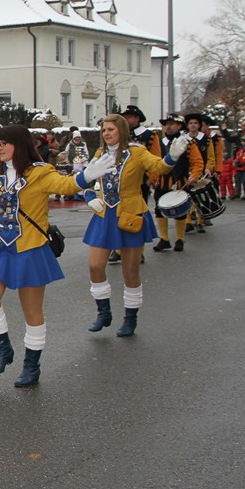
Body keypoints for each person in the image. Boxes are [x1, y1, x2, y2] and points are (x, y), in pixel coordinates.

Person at [0, 124, 116, 386]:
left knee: (32, 311)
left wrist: (87, 176)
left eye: (5, 143)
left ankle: (31, 366)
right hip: (0, 246)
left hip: (30, 247)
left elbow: (65, 185)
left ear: (19, 145)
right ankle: (4, 349)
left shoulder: (40, 173)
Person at [84, 114, 194, 338]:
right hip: (104, 214)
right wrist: (89, 197)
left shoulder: (137, 152)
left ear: (122, 131)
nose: (106, 133)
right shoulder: (100, 153)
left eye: (111, 129)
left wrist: (172, 157)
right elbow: (87, 180)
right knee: (95, 266)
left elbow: (159, 167)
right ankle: (103, 312)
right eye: (104, 130)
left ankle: (130, 318)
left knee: (130, 271)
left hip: (130, 215)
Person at [152, 114, 204, 251]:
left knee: (180, 210)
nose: (168, 126)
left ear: (179, 126)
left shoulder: (188, 142)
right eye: (166, 124)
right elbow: (153, 161)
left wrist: (194, 176)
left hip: (181, 181)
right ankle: (164, 239)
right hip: (163, 180)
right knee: (159, 209)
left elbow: (197, 162)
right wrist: (153, 178)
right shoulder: (159, 142)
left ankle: (179, 239)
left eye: (172, 124)